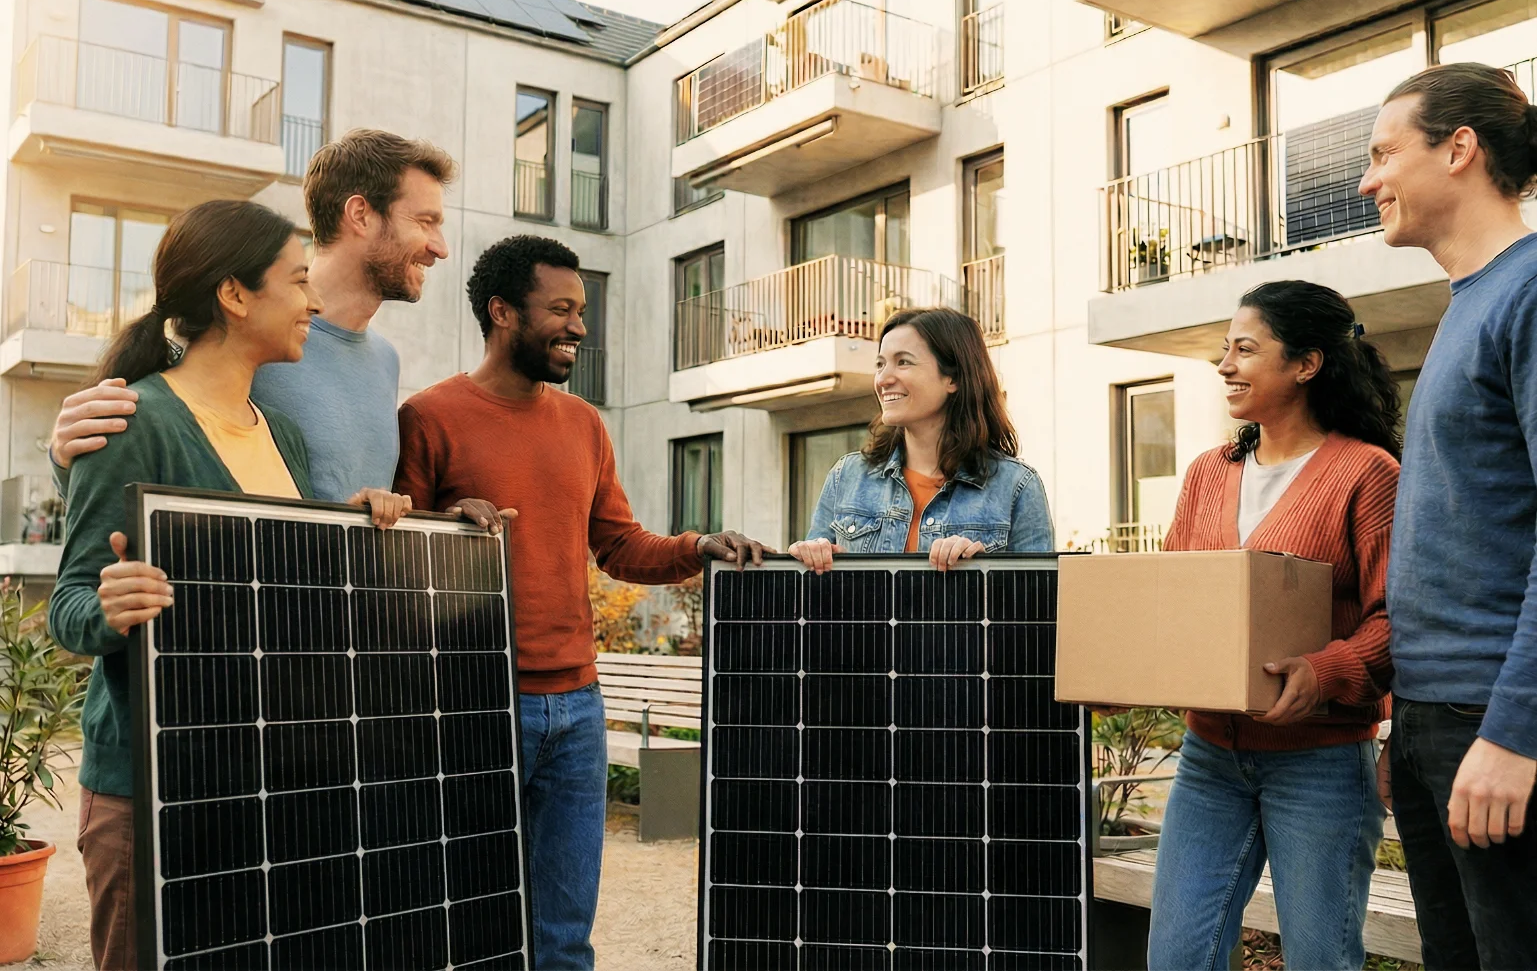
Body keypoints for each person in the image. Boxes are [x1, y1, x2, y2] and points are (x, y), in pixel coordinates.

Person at [392, 234, 772, 969]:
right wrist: (446, 524)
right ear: (503, 312)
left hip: (578, 708)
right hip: (477, 701)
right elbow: (398, 561)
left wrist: (698, 546)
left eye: (581, 309)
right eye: (561, 309)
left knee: (565, 937)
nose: (579, 327)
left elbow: (619, 545)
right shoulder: (430, 416)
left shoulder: (585, 423)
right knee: (473, 921)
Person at [50, 200, 398, 970]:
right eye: (297, 280)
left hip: (252, 781)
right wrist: (109, 606)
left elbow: (275, 596)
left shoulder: (284, 437)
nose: (313, 301)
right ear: (234, 295)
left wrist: (356, 526)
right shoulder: (134, 419)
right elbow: (70, 603)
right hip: (148, 790)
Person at [47, 129, 500, 528]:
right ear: (360, 214)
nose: (440, 248)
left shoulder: (385, 360)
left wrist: (445, 521)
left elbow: (368, 511)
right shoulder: (248, 336)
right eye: (425, 222)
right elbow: (147, 462)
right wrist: (64, 459)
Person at [1145, 280, 1401, 971]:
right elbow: (1170, 597)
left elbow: (1395, 616)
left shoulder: (1366, 472)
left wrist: (1325, 672)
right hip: (1208, 757)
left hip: (1319, 762)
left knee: (1320, 959)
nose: (1224, 365)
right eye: (1224, 349)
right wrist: (1133, 671)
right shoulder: (1208, 472)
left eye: (1245, 349)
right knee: (1176, 957)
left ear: (1306, 364)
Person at [1362, 61, 1537, 967]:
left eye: (1383, 153)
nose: (1367, 180)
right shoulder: (1469, 304)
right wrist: (1406, 726)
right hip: (1438, 720)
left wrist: (1515, 730)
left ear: (1458, 148)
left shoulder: (1529, 292)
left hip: (1495, 721)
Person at [787, 306, 1052, 573]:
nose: (883, 379)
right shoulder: (846, 476)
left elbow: (1040, 596)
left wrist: (982, 575)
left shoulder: (1017, 487)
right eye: (880, 364)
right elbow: (812, 592)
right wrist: (804, 559)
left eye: (903, 362)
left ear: (953, 378)